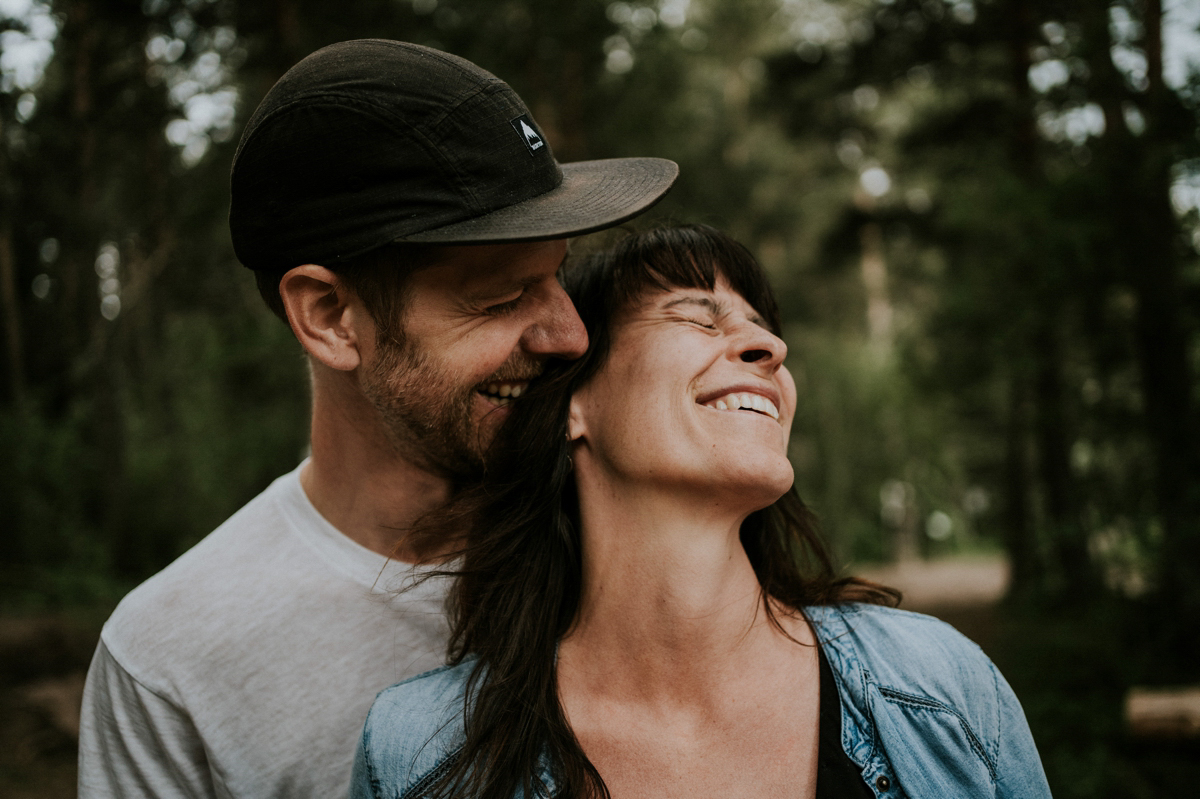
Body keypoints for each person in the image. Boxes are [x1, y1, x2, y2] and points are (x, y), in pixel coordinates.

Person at [77, 40, 677, 798]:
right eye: (498, 297)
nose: (570, 335)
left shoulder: (646, 539)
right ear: (331, 316)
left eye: (557, 274)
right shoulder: (171, 658)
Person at [349, 225, 1052, 799]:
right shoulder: (420, 753)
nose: (771, 349)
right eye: (696, 317)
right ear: (573, 404)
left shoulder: (937, 683)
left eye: (764, 331)